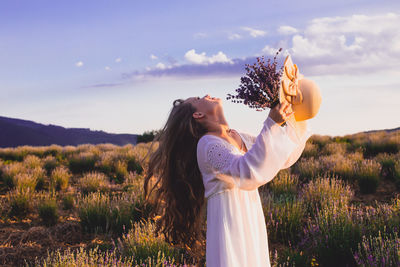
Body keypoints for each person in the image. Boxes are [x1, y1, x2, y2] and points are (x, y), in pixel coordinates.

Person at [144, 94, 312, 267]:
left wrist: (296, 116)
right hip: (230, 223)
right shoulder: (207, 143)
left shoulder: (239, 136)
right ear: (198, 115)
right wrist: (271, 124)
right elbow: (246, 171)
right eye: (198, 98)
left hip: (250, 219)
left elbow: (281, 156)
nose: (207, 95)